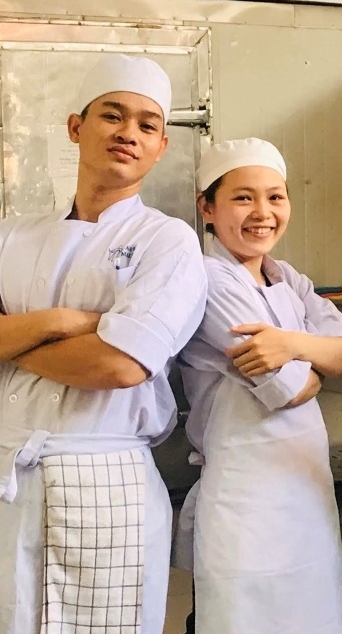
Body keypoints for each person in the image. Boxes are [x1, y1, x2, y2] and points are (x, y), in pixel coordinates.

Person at [0, 53, 208, 633]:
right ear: (76, 127)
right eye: (112, 115)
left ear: (161, 146)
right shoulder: (12, 235)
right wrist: (66, 320)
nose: (128, 134)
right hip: (9, 473)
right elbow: (101, 350)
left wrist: (14, 333)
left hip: (105, 477)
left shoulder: (168, 243)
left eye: (147, 125)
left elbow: (118, 365)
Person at [176, 138, 342, 633]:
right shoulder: (209, 280)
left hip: (305, 492)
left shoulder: (289, 277)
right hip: (245, 498)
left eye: (275, 196)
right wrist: (313, 352)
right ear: (207, 208)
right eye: (243, 198)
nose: (263, 213)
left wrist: (291, 344)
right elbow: (286, 391)